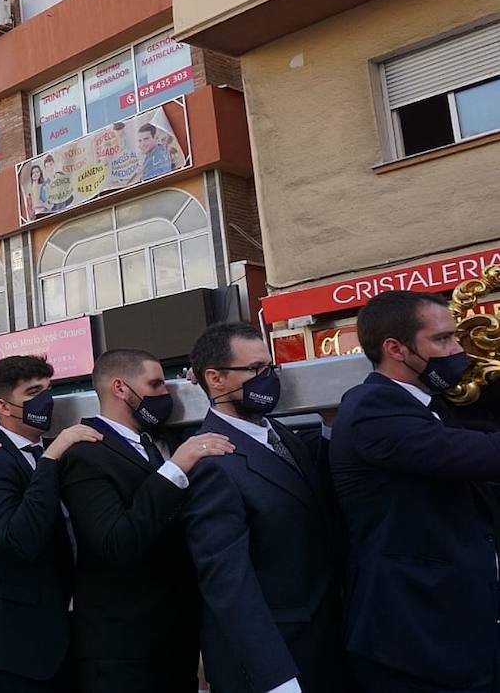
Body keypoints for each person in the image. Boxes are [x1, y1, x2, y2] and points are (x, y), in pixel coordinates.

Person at [331, 290, 500, 691]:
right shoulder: (371, 409)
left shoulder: (434, 404)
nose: (457, 349)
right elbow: (473, 454)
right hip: (414, 640)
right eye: (442, 340)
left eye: (455, 337)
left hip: (460, 631)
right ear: (396, 348)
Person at [184, 322, 349, 693]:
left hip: (325, 641)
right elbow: (229, 582)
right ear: (216, 379)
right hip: (281, 659)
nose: (268, 379)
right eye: (256, 370)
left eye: (270, 368)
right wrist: (276, 678)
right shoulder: (210, 459)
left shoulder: (284, 435)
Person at [60, 349, 233, 693]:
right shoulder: (86, 452)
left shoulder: (163, 442)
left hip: (175, 641)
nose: (163, 395)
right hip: (121, 651)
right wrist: (174, 469)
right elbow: (116, 540)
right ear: (120, 388)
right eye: (154, 384)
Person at [0, 356, 97, 692]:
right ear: (4, 406)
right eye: (33, 392)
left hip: (63, 637)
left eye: (48, 390)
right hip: (12, 649)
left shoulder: (53, 451)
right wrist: (50, 460)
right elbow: (19, 537)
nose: (45, 401)